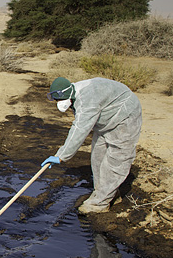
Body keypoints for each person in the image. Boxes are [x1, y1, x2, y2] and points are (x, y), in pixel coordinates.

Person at [42, 76, 142, 214]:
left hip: (125, 116)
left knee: (116, 160)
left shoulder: (86, 101)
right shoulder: (74, 92)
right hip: (106, 121)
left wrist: (61, 155)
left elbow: (79, 129)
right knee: (98, 157)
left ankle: (99, 203)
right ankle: (108, 192)